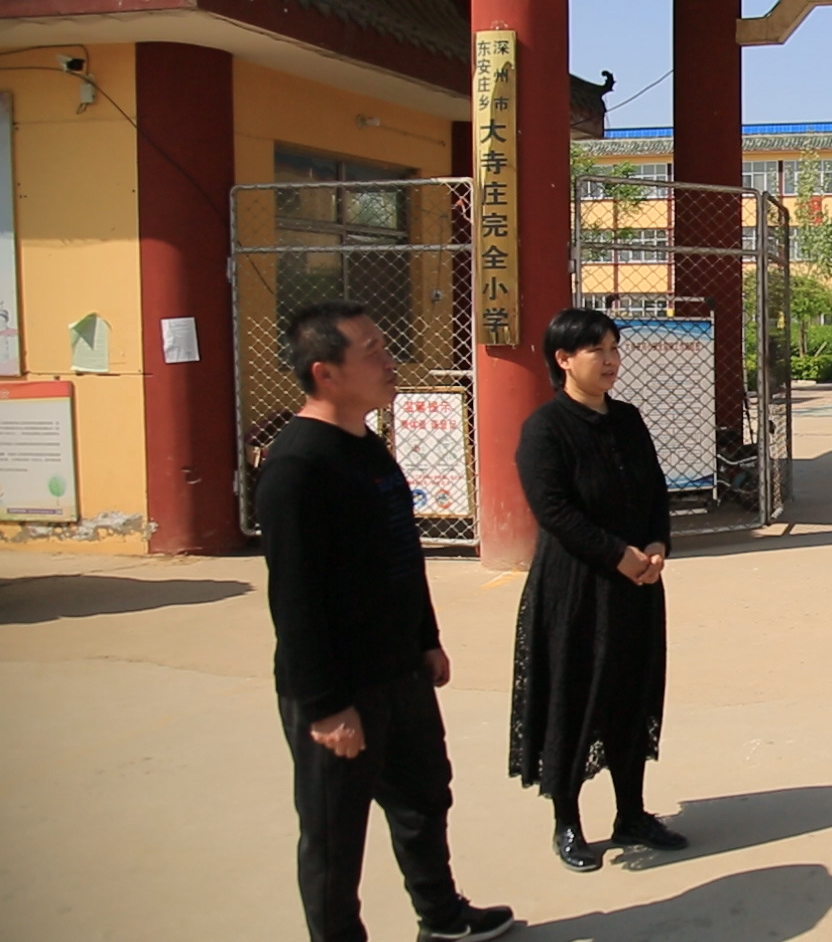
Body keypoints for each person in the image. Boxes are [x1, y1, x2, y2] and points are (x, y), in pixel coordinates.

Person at [256, 301, 514, 942]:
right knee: (334, 834)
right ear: (326, 372)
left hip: (400, 669)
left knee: (424, 797)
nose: (389, 360)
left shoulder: (367, 446)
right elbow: (295, 600)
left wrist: (426, 640)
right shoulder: (297, 466)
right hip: (340, 686)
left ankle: (442, 918)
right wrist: (325, 707)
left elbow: (402, 552)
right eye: (371, 351)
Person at [509, 308, 686, 871]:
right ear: (564, 359)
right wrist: (617, 554)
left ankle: (631, 812)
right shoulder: (545, 429)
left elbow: (654, 488)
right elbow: (554, 511)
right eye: (598, 350)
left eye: (614, 348)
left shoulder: (628, 419)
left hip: (637, 584)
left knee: (631, 694)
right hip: (576, 588)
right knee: (574, 696)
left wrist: (655, 543)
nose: (611, 360)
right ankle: (567, 821)